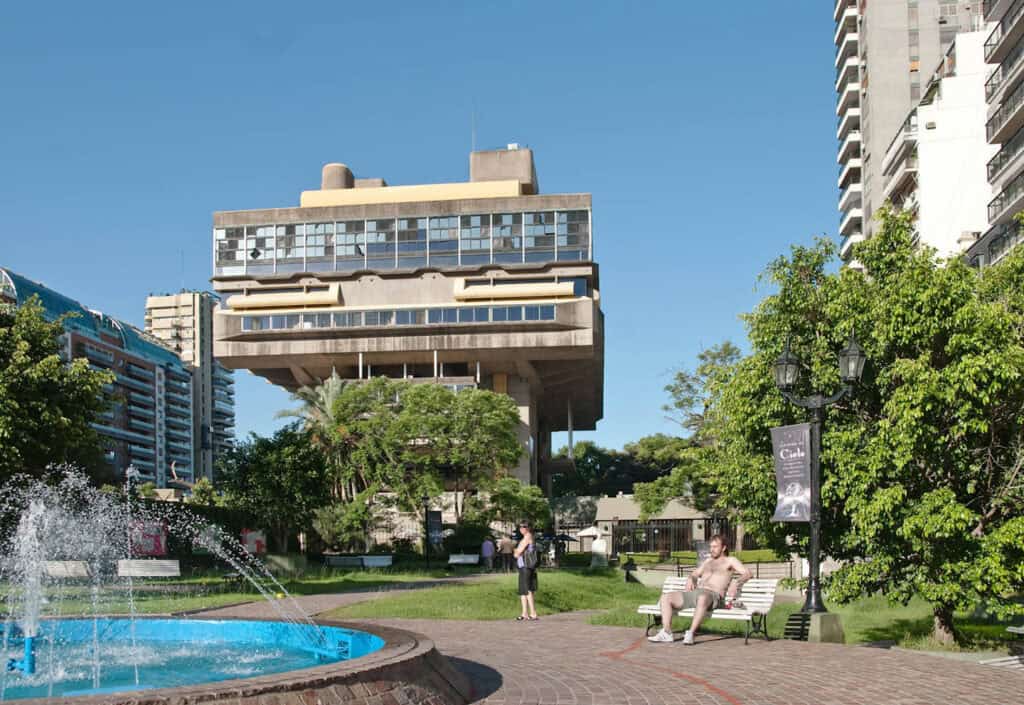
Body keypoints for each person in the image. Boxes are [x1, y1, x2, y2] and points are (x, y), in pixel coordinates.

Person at [647, 534, 752, 645]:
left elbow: (748, 573)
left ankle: (691, 633)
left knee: (702, 598)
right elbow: (695, 573)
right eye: (711, 547)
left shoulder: (730, 560)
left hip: (713, 596)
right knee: (666, 597)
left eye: (715, 547)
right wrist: (691, 578)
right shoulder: (708, 561)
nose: (712, 549)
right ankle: (667, 632)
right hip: (696, 593)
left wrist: (736, 582)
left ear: (724, 548)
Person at [514, 522, 539, 621]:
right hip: (524, 566)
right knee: (523, 591)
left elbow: (518, 552)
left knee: (527, 589)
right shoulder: (526, 537)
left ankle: (533, 613)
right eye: (520, 527)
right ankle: (524, 613)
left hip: (526, 566)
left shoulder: (528, 537)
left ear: (528, 528)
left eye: (523, 526)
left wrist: (516, 551)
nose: (521, 528)